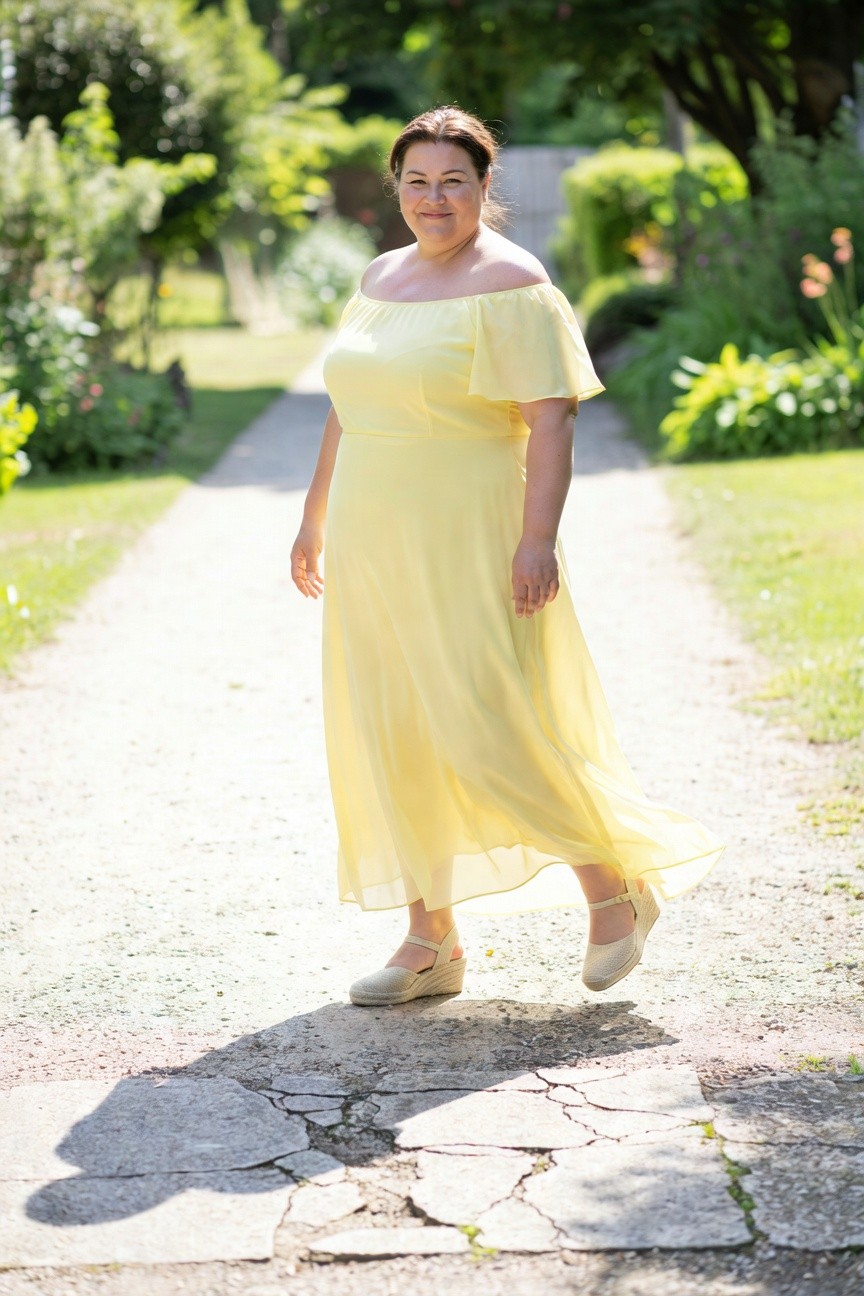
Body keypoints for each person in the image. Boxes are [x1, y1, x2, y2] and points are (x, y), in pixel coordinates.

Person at [290, 106, 724, 1006]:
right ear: (397, 188)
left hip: (473, 531)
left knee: (493, 716)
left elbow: (552, 421)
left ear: (486, 188)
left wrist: (536, 540)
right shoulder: (378, 275)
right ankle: (428, 939)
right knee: (394, 728)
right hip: (374, 539)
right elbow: (346, 406)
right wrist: (313, 518)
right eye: (416, 181)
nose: (433, 198)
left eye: (453, 181)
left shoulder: (514, 281)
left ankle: (614, 892)